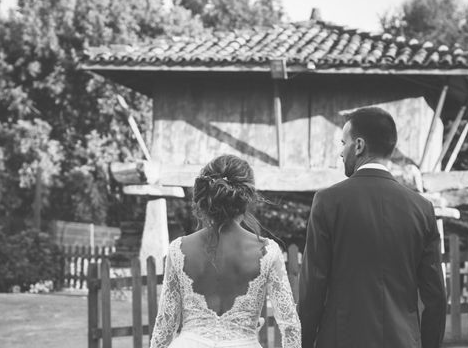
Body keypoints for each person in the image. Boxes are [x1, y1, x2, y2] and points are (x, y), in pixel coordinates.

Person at [298, 107, 447, 348]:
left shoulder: (328, 201)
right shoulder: (422, 208)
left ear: (358, 145)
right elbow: (436, 297)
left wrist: (302, 344)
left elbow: (312, 288)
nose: (340, 152)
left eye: (343, 143)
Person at [150, 154, 301, 348]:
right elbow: (290, 325)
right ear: (247, 197)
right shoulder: (266, 252)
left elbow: (165, 324)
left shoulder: (179, 250)